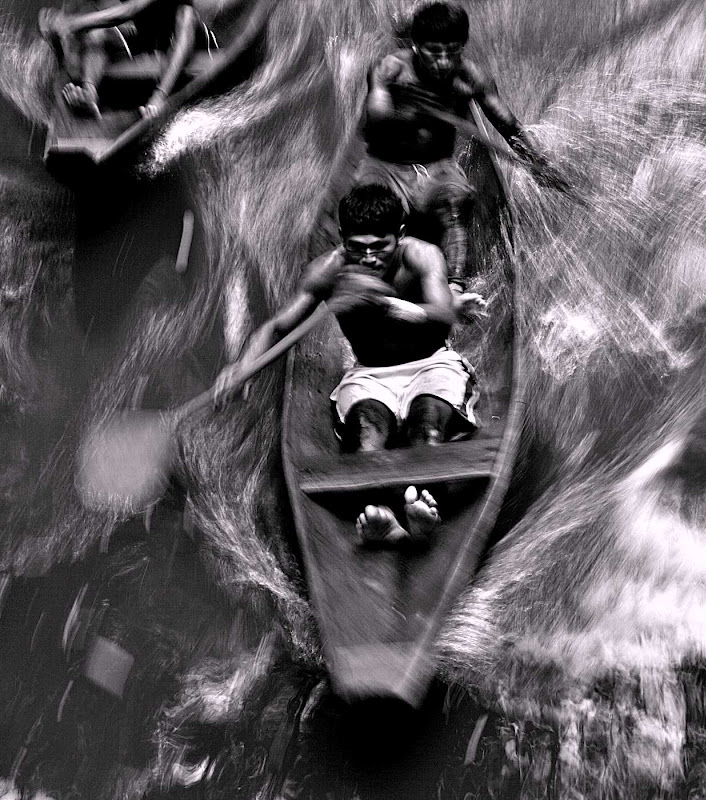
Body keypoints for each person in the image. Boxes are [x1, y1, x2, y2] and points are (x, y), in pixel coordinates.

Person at [213, 184, 480, 546]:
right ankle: (386, 519)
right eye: (357, 248)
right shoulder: (328, 270)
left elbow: (444, 315)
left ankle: (421, 513)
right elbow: (278, 327)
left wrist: (386, 306)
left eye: (379, 247)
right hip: (369, 375)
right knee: (365, 438)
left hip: (430, 365)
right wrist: (242, 366)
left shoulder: (422, 255)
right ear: (342, 238)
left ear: (399, 236)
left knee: (426, 430)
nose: (368, 258)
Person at [358, 1, 567, 288]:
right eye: (434, 52)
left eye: (452, 53)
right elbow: (374, 121)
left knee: (456, 203)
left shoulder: (471, 76)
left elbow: (508, 125)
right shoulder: (390, 69)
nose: (443, 62)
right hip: (388, 165)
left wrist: (538, 165)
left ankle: (455, 287)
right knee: (374, 216)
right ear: (415, 45)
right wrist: (408, 109)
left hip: (437, 165)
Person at [38, 0, 203, 120]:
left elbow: (129, 10)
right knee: (97, 34)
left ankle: (161, 94)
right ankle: (90, 94)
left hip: (186, 44)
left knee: (187, 15)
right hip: (147, 41)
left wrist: (70, 23)